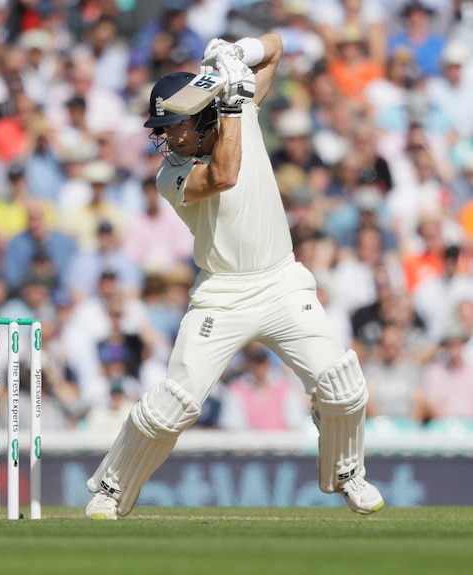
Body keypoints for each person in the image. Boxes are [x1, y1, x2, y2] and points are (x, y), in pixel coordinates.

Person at [84, 34, 385, 520]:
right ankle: (113, 489)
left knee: (343, 385)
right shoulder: (172, 174)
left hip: (282, 282)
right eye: (163, 127)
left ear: (200, 113)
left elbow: (278, 47)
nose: (169, 137)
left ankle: (348, 472)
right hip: (221, 295)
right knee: (173, 406)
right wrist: (232, 102)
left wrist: (234, 56)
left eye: (175, 124)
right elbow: (224, 175)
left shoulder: (239, 113)